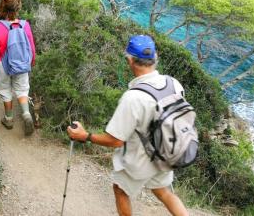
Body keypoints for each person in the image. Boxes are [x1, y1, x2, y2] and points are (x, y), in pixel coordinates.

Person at [67, 35, 189, 216]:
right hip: (166, 150)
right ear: (155, 57)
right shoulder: (173, 83)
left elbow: (116, 140)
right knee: (163, 191)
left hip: (140, 158)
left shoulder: (133, 97)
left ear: (130, 60)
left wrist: (86, 136)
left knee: (121, 190)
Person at [0, 0, 36, 136]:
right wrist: (31, 62)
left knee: (6, 91)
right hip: (21, 63)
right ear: (18, 7)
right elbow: (31, 47)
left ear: (2, 7)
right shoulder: (25, 25)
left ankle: (9, 119)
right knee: (22, 90)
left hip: (2, 64)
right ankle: (26, 114)